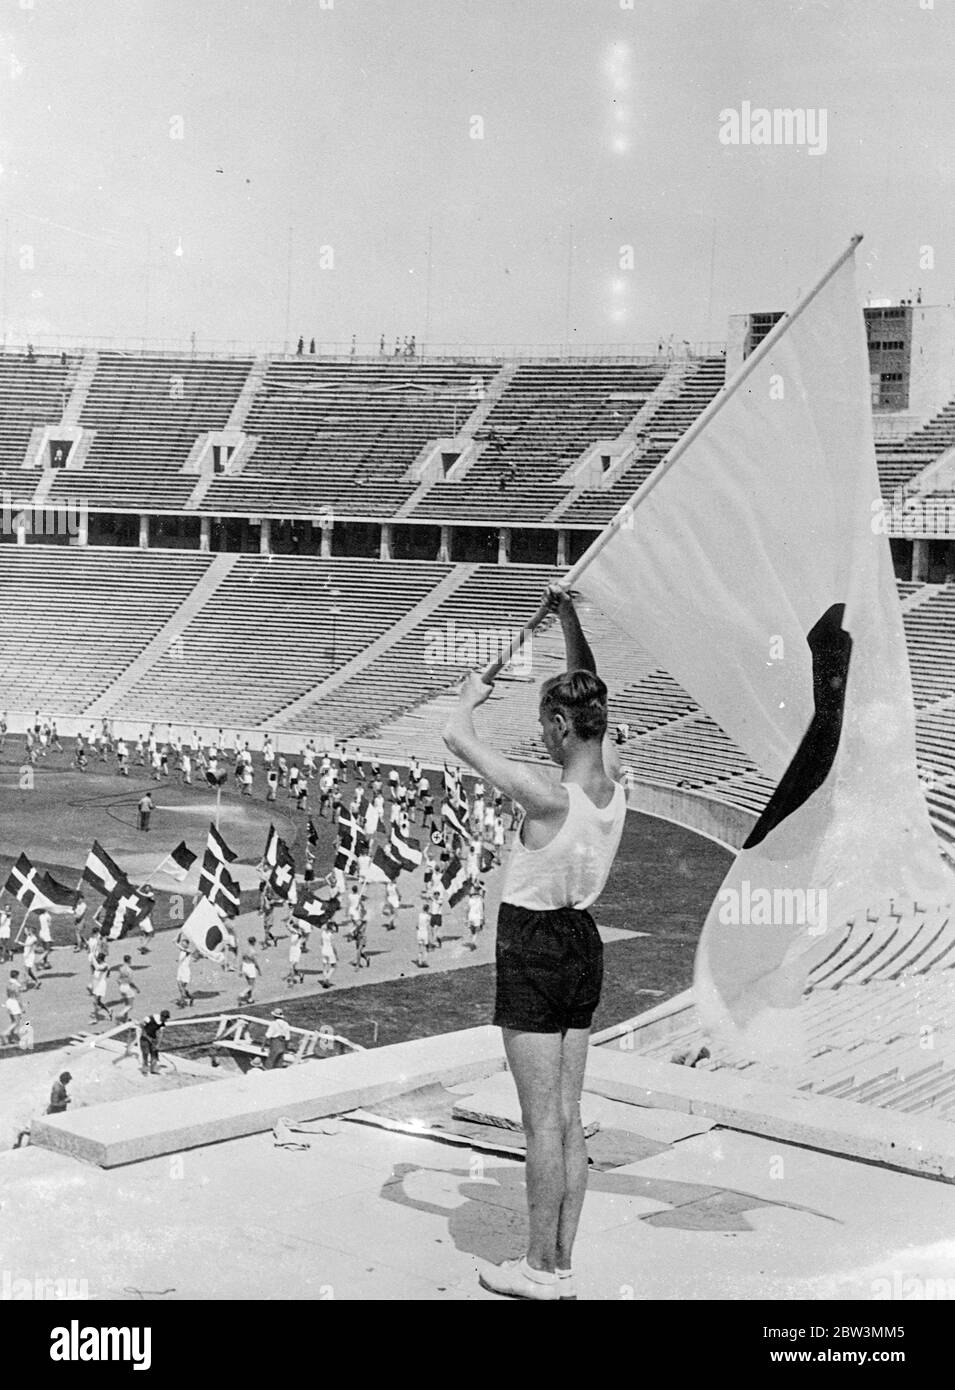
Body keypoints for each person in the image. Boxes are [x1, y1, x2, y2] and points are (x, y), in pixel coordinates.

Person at [442, 583, 627, 1301]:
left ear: (557, 725)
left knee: (538, 1122)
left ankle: (537, 1269)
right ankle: (561, 1262)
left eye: (546, 721)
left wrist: (468, 695)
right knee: (569, 1116)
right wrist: (571, 620)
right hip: (583, 939)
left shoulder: (547, 798)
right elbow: (594, 692)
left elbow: (457, 740)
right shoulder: (615, 780)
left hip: (532, 944)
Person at [140, 1010, 170, 1075]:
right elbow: (141, 1025)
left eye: (166, 1018)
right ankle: (144, 1069)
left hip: (153, 1038)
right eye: (165, 1018)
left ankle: (153, 1069)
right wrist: (144, 1033)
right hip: (144, 1038)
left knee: (154, 1054)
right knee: (145, 1053)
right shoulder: (149, 1018)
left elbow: (160, 1034)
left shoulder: (162, 1023)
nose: (165, 1020)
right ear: (161, 1016)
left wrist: (158, 1044)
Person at [115, 955, 139, 1023]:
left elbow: (117, 980)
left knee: (126, 1005)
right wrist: (136, 988)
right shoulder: (130, 970)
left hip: (121, 987)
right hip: (127, 987)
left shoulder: (121, 969)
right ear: (129, 960)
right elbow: (130, 982)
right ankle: (119, 1015)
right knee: (130, 1006)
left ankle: (125, 1019)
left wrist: (121, 986)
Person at [3, 970, 24, 1043]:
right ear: (16, 976)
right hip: (14, 1003)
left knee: (13, 1021)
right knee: (16, 1022)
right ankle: (5, 1033)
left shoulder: (8, 983)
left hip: (8, 1002)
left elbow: (8, 994)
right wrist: (22, 1007)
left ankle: (12, 1038)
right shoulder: (16, 985)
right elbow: (18, 997)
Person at [89, 952, 112, 1023]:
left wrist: (93, 959)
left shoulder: (105, 965)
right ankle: (109, 1010)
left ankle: (95, 1019)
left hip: (101, 985)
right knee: (98, 1002)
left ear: (100, 958)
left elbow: (98, 968)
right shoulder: (101, 964)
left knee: (95, 1002)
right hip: (97, 983)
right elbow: (94, 970)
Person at [238, 938, 260, 1005]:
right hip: (250, 967)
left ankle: (250, 999)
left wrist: (240, 970)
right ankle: (243, 993)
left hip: (244, 966)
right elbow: (255, 962)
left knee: (249, 984)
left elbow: (241, 960)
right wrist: (259, 970)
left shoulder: (244, 950)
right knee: (251, 985)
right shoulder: (253, 951)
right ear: (254, 942)